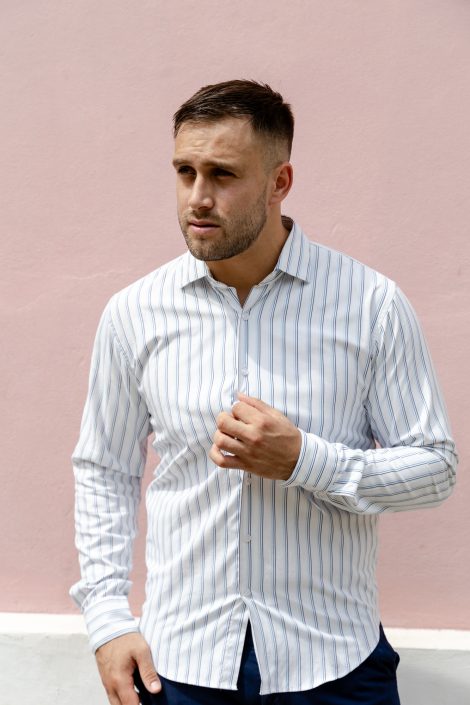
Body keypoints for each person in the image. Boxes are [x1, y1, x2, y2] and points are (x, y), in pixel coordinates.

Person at [71, 80, 457, 705]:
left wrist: (305, 460)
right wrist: (107, 619)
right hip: (181, 665)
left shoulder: (371, 305)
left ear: (280, 182)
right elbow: (104, 470)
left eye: (222, 174)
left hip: (334, 663)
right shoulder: (133, 313)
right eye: (185, 172)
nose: (198, 198)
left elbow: (435, 468)